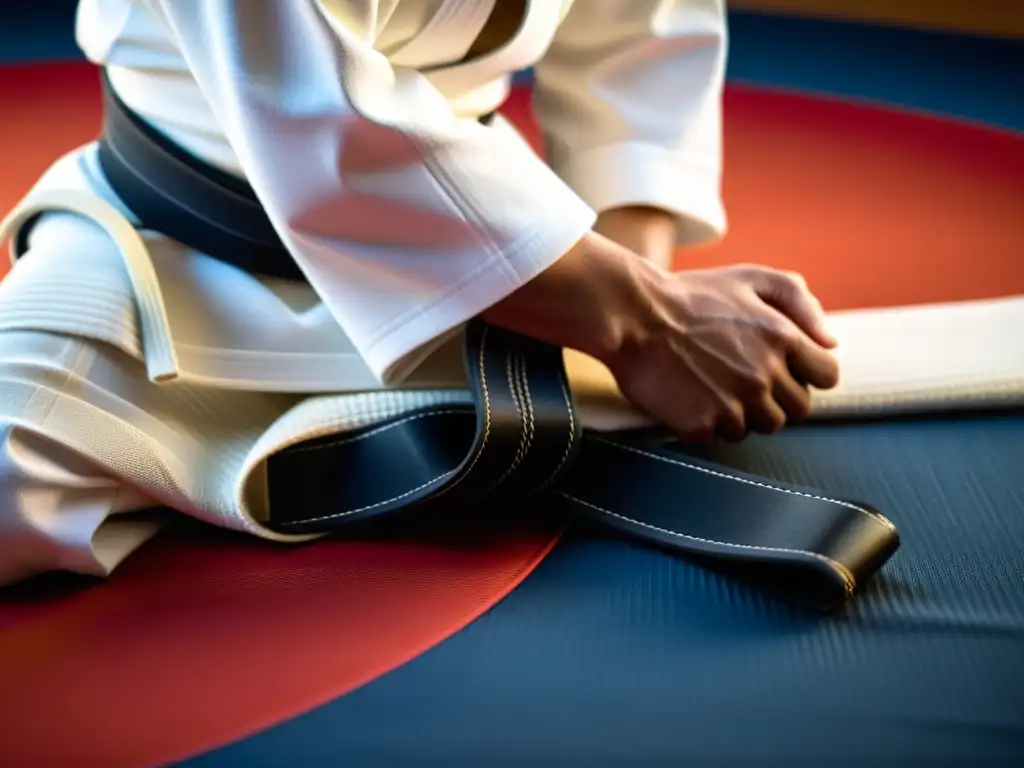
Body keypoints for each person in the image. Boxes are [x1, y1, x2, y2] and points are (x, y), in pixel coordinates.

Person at [0, 0, 839, 585]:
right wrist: (643, 322)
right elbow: (311, 110)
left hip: (504, 257)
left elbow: (639, 33)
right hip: (171, 258)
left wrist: (627, 290)